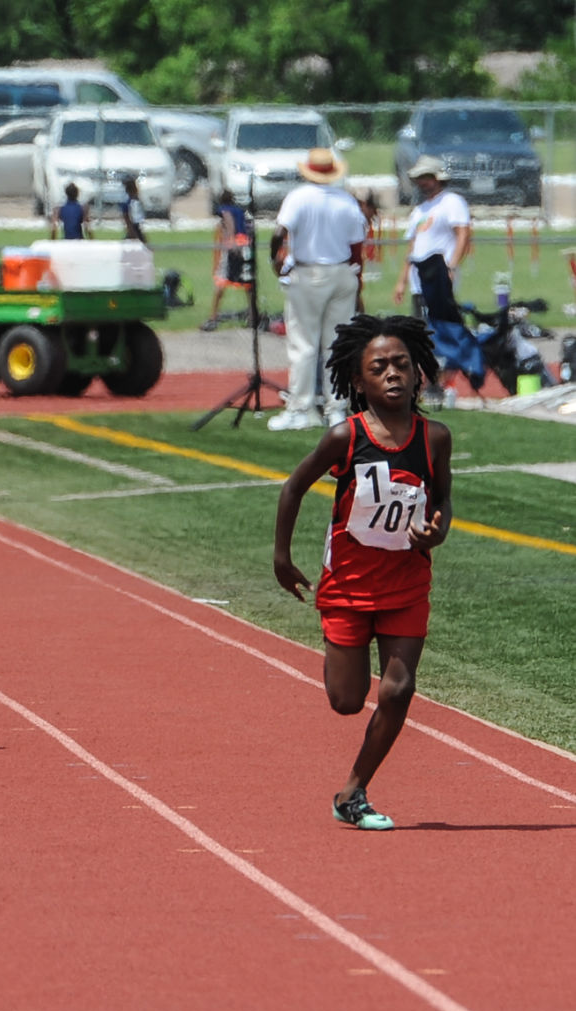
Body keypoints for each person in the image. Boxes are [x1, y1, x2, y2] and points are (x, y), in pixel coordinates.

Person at [272, 314, 452, 832]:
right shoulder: (343, 437)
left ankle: (353, 791)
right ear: (358, 381)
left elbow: (442, 500)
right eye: (379, 366)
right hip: (349, 586)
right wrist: (282, 557)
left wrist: (435, 531)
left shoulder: (435, 437)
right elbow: (293, 487)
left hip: (406, 585)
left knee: (398, 689)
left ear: (419, 374)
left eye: (402, 364)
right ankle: (343, 666)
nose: (393, 373)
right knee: (347, 702)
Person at [268, 147, 366, 432]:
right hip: (341, 271)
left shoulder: (298, 198)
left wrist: (276, 261)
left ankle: (301, 408)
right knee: (336, 344)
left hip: (309, 272)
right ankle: (337, 409)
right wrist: (357, 280)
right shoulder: (347, 201)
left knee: (303, 344)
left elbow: (278, 234)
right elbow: (357, 248)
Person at [393, 156, 478, 406]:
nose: (422, 183)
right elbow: (413, 246)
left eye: (426, 178)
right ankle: (425, 384)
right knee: (421, 333)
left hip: (438, 280)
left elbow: (463, 234)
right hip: (419, 281)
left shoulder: (451, 202)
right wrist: (401, 280)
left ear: (437, 178)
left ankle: (437, 385)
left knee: (440, 332)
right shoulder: (419, 211)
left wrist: (451, 265)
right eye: (419, 178)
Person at [202, 189, 253, 331]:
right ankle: (252, 315)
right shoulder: (240, 211)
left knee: (221, 279)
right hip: (245, 244)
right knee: (247, 281)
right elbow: (248, 226)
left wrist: (231, 239)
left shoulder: (224, 209)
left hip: (233, 245)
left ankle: (213, 317)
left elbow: (228, 219)